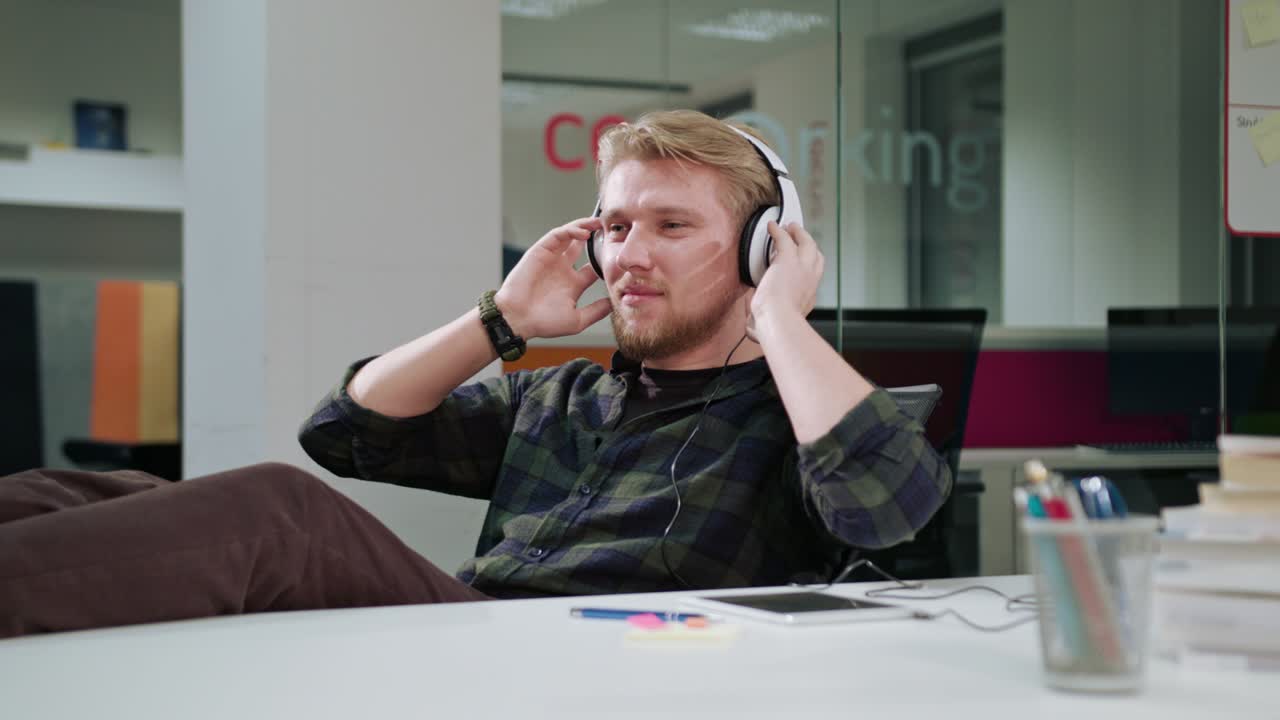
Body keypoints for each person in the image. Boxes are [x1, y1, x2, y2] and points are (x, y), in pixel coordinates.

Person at [0, 110, 950, 638]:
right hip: (471, 637)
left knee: (280, 517)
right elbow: (344, 433)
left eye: (671, 226)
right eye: (617, 226)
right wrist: (501, 322)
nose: (628, 253)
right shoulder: (560, 396)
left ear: (758, 249)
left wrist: (777, 316)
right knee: (92, 492)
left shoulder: (799, 418)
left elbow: (887, 506)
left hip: (576, 668)